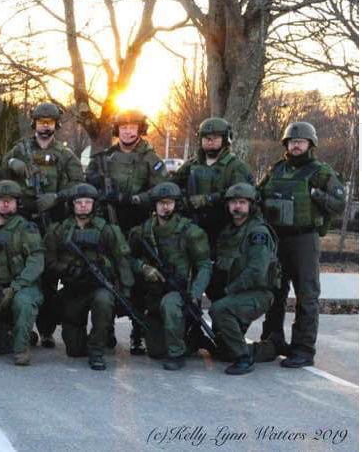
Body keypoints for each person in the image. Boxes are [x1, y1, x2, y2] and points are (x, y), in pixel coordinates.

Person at [258, 122, 346, 368]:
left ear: (310, 145)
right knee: (275, 291)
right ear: (286, 144)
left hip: (304, 239)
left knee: (306, 295)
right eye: (292, 141)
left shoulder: (320, 171)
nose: (296, 145)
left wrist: (318, 195)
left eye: (301, 141)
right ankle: (272, 340)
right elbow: (259, 194)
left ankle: (304, 349)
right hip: (277, 238)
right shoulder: (276, 170)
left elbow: (339, 202)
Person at [85, 108, 169, 354]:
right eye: (124, 127)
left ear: (140, 129)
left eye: (133, 127)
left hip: (139, 225)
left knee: (141, 280)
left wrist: (133, 199)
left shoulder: (150, 158)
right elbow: (88, 184)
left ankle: (138, 332)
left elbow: (162, 190)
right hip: (110, 223)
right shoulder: (105, 158)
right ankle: (106, 328)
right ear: (117, 131)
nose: (128, 131)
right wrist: (101, 193)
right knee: (108, 274)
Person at [3, 102, 83, 349]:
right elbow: (0, 179)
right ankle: (19, 327)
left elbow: (79, 187)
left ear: (56, 125)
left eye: (49, 122)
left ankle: (46, 330)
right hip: (25, 220)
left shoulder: (66, 155)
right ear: (34, 124)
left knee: (49, 275)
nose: (45, 126)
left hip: (53, 221)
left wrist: (57, 198)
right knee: (21, 271)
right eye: (41, 122)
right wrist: (10, 165)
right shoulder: (20, 149)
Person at [43, 184, 133, 371]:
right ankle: (95, 337)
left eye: (88, 202)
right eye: (79, 202)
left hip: (98, 287)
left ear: (94, 205)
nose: (83, 206)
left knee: (103, 300)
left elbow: (122, 261)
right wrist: (68, 268)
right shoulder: (59, 230)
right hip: (73, 289)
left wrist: (125, 291)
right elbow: (48, 262)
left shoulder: (107, 230)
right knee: (74, 350)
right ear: (72, 205)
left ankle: (97, 350)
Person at [127, 183, 211, 370]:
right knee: (156, 351)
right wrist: (143, 267)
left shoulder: (190, 232)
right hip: (153, 293)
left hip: (180, 292)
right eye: (161, 203)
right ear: (154, 205)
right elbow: (126, 258)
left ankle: (177, 354)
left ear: (176, 204)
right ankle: (191, 340)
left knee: (171, 303)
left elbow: (204, 266)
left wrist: (195, 294)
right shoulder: (142, 231)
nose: (165, 207)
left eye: (170, 203)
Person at [171, 117, 253, 301]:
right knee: (191, 279)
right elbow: (173, 185)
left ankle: (221, 324)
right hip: (193, 228)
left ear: (225, 140)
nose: (210, 141)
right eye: (206, 137)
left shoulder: (235, 166)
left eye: (215, 137)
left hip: (222, 229)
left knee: (218, 280)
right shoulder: (192, 164)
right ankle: (193, 323)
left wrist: (209, 199)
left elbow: (244, 193)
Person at [0, 180, 44, 366]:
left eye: (10, 200)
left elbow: (36, 262)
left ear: (17, 203)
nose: (5, 204)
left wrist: (15, 288)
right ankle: (19, 334)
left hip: (22, 286)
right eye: (1, 200)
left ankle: (21, 350)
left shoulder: (26, 228)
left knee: (23, 302)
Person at [210, 184, 280, 375]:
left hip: (257, 293)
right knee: (223, 349)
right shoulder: (228, 231)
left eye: (242, 202)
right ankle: (271, 347)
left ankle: (244, 358)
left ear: (251, 205)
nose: (237, 207)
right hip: (238, 294)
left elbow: (256, 271)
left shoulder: (258, 233)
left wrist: (228, 291)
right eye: (233, 202)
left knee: (219, 308)